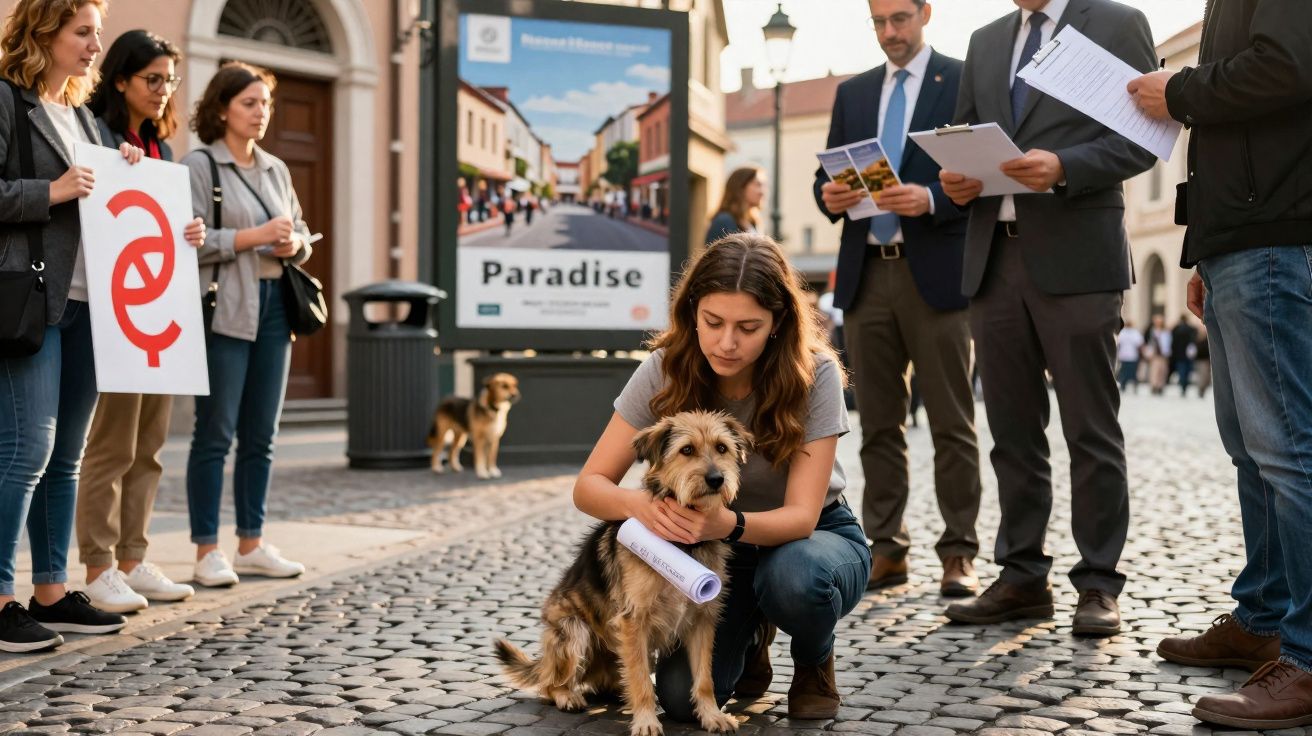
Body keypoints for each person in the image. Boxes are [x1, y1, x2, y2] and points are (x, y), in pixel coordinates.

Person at [574, 234, 870, 720]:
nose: (727, 342)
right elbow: (589, 486)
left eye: (748, 327)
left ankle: (814, 657)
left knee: (795, 580)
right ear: (692, 311)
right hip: (707, 550)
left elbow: (800, 517)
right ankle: (753, 634)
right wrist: (640, 507)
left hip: (810, 539)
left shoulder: (814, 373)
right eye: (713, 322)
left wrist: (726, 524)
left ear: (778, 323)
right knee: (680, 701)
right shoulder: (664, 368)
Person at [938, 0, 1156, 636]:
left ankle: (1099, 583)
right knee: (1011, 433)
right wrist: (957, 180)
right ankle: (1022, 577)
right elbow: (962, 139)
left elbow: (1144, 138)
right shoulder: (984, 40)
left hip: (1080, 260)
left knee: (1091, 429)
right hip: (992, 259)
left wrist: (1065, 167)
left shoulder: (1117, 23)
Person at [1130, 1, 1312, 726]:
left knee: (1289, 451)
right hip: (1238, 234)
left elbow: (1287, 66)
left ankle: (1307, 658)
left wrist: (1177, 90)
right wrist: (1201, 249)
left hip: (1275, 229)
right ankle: (1264, 618)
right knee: (1252, 449)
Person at [0, 0, 199, 653]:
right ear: (44, 31)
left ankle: (51, 592)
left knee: (66, 458)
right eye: (83, 31)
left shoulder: (84, 116)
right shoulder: (6, 101)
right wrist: (50, 191)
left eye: (97, 32)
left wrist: (154, 203)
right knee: (24, 453)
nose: (94, 44)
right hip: (32, 302)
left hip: (95, 307)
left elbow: (113, 207)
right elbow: (42, 193)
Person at [813, 0, 981, 597]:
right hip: (866, 277)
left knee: (952, 423)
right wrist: (828, 195)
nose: (889, 32)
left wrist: (930, 198)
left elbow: (981, 174)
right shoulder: (853, 93)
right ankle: (886, 548)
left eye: (900, 19)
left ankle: (959, 553)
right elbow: (826, 175)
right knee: (878, 424)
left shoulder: (962, 80)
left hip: (936, 273)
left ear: (925, 13)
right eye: (879, 22)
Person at [76, 29, 200, 615]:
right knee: (113, 444)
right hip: (116, 312)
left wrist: (189, 231)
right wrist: (114, 168)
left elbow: (160, 229)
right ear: (121, 79)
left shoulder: (162, 152)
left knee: (149, 445)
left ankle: (132, 559)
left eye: (169, 81)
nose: (163, 90)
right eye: (153, 79)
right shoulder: (95, 137)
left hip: (158, 313)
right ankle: (98, 565)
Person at [183, 61, 311, 589]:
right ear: (222, 108)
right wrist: (253, 237)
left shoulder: (276, 169)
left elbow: (301, 233)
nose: (261, 113)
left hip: (276, 304)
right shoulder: (199, 165)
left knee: (262, 434)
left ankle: (252, 543)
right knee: (215, 432)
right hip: (225, 306)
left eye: (266, 104)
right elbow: (186, 241)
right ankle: (207, 550)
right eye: (249, 103)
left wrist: (293, 243)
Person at [705, 166, 764, 245]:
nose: (762, 192)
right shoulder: (724, 221)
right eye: (757, 185)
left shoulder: (752, 222)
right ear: (741, 187)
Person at [1169, 315, 1198, 397]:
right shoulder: (1191, 329)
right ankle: (1185, 386)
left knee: (1181, 371)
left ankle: (1182, 386)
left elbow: (1172, 343)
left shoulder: (1175, 329)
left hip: (1179, 355)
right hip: (1188, 355)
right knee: (1187, 372)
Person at [1144, 314, 1171, 396]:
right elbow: (1149, 342)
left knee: (1162, 371)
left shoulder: (1166, 332)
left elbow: (1168, 342)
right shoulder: (1151, 331)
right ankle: (1154, 385)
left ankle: (1160, 386)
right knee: (1154, 371)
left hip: (1163, 354)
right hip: (1154, 354)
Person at [1115, 320, 1143, 394]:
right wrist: (1141, 355)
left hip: (1123, 355)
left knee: (1123, 371)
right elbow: (1139, 344)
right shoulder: (1135, 333)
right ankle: (1134, 385)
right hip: (1133, 356)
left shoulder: (1122, 333)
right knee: (1133, 372)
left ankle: (1123, 385)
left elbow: (1118, 344)